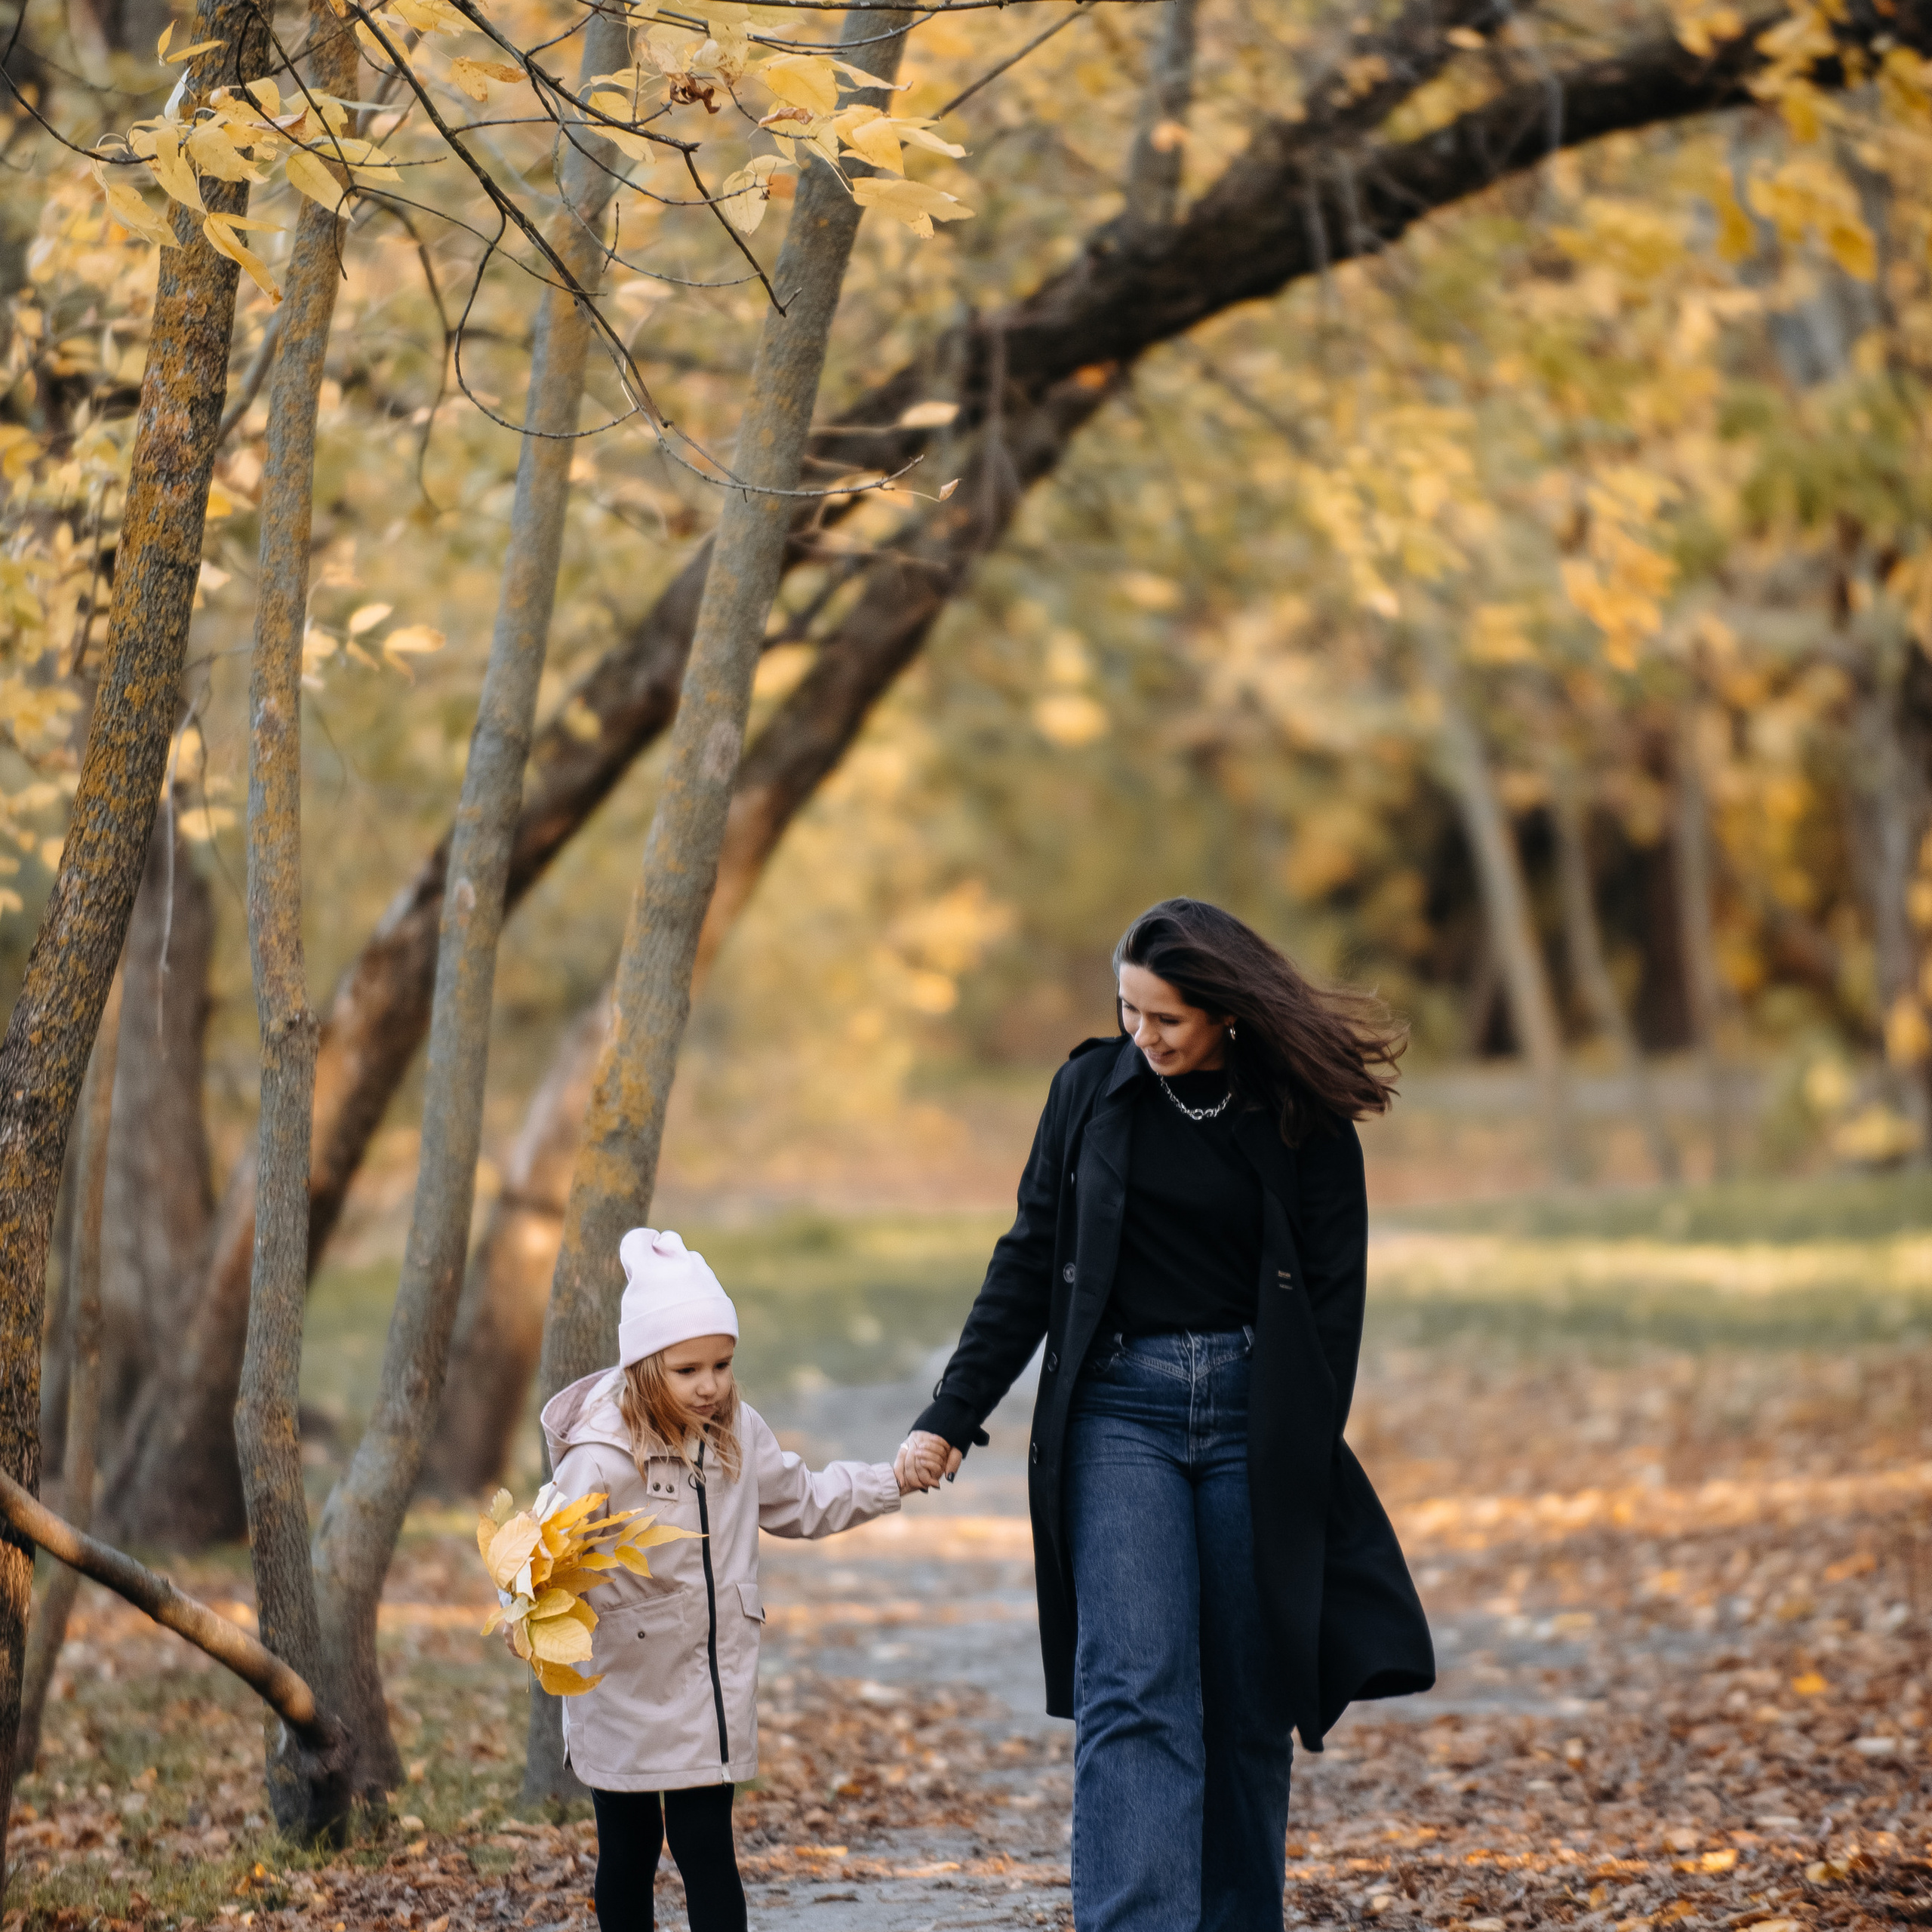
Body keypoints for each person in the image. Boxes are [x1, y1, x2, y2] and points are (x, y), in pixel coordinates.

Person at [895, 897, 1437, 1932]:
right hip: (1119, 1415)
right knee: (1133, 1691)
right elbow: (1027, 1259)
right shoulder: (1089, 1093)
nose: (1142, 1036)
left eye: (1166, 1020)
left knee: (1246, 1704)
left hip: (1253, 1417)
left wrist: (1301, 1445)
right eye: (1128, 1010)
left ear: (1227, 1013)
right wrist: (951, 1414)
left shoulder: (1299, 1117)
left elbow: (1333, 1304)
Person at [545, 1227, 918, 1932]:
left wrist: (890, 1481)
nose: (710, 1385)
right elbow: (541, 1557)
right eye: (688, 1371)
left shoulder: (736, 1433)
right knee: (628, 1848)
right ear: (644, 1367)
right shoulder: (600, 1461)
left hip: (706, 1688)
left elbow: (803, 1500)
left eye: (721, 1364)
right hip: (621, 1684)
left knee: (706, 1847)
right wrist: (527, 1614)